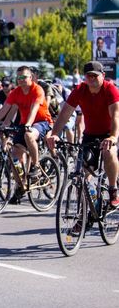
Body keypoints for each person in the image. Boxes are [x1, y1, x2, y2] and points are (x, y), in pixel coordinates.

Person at [47, 61, 119, 207]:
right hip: (90, 134)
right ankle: (90, 207)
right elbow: (64, 114)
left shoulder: (110, 89)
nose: (91, 79)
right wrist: (54, 134)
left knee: (109, 153)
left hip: (109, 132)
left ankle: (113, 189)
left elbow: (115, 116)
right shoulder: (80, 90)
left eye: (95, 76)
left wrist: (112, 137)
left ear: (103, 75)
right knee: (82, 173)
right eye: (88, 76)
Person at [0, 65, 52, 179]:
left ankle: (36, 165)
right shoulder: (16, 92)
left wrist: (28, 124)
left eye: (23, 77)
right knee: (15, 157)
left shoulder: (37, 89)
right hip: (25, 124)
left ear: (31, 77)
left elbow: (34, 109)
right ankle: (20, 185)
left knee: (29, 135)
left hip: (41, 122)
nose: (21, 80)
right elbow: (4, 110)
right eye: (18, 78)